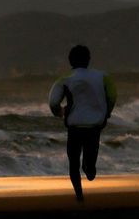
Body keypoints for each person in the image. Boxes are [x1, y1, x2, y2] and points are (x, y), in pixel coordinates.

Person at [48, 45, 117, 202]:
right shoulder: (103, 76)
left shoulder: (64, 79)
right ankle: (89, 168)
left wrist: (59, 112)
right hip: (94, 126)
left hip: (74, 125)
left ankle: (79, 195)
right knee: (90, 159)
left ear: (70, 60)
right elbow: (112, 96)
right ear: (88, 59)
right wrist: (106, 114)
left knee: (73, 161)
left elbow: (53, 101)